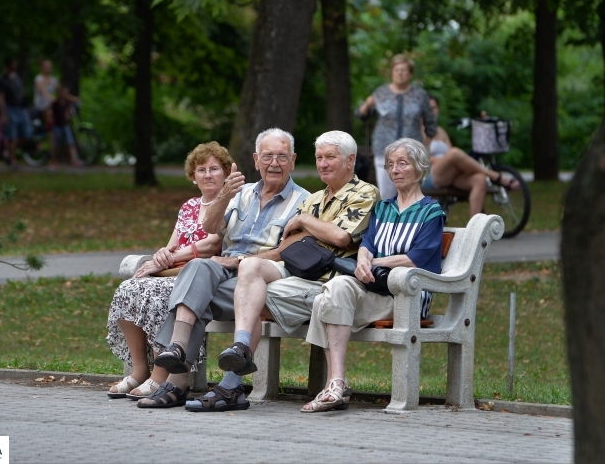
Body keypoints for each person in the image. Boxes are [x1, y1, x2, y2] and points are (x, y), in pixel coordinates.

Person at [189, 130, 380, 412]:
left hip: (330, 283)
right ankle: (240, 350)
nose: (323, 164)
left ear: (350, 160)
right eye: (319, 158)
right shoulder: (315, 199)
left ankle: (229, 387)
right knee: (251, 269)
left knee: (245, 296)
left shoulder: (364, 192)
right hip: (299, 275)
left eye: (330, 157)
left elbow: (341, 237)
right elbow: (288, 245)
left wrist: (304, 221)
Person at [135, 128, 310, 409]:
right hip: (224, 271)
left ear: (293, 160)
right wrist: (223, 197)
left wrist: (235, 261)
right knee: (198, 268)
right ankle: (178, 349)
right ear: (255, 159)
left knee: (198, 298)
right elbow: (211, 228)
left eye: (281, 156)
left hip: (264, 272)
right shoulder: (241, 194)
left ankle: (186, 382)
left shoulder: (304, 200)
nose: (274, 163)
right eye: (267, 156)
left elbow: (288, 250)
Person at [302, 138, 445, 412]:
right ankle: (337, 383)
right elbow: (368, 242)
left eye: (402, 164)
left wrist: (376, 261)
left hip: (407, 296)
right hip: (373, 289)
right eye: (391, 165)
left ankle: (335, 387)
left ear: (420, 167)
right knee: (334, 290)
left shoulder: (431, 212)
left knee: (324, 304)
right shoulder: (383, 208)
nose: (395, 170)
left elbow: (417, 257)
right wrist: (364, 258)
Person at [105, 142, 232, 398]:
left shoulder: (231, 203)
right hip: (174, 270)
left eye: (214, 169)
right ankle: (140, 370)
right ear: (193, 177)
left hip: (203, 276)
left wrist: (172, 255)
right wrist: (163, 254)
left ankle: (160, 376)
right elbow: (171, 244)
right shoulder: (188, 207)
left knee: (158, 295)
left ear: (226, 173)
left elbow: (213, 243)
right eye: (201, 170)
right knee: (128, 289)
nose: (208, 174)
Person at [422, 95, 519, 217]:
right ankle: (494, 176)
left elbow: (451, 153)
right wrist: (445, 160)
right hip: (431, 174)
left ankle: (474, 230)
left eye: (434, 108)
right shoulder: (419, 130)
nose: (431, 111)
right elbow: (422, 159)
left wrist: (450, 161)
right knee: (454, 153)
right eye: (428, 108)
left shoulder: (441, 131)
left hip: (451, 173)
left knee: (479, 179)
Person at [357, 54, 437, 200]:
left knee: (410, 192)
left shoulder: (420, 95)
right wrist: (367, 105)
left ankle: (411, 220)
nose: (400, 73)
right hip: (384, 150)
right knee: (386, 194)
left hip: (412, 152)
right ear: (392, 72)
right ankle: (388, 221)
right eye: (396, 70)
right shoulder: (381, 93)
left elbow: (431, 123)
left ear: (410, 73)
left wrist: (426, 148)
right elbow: (362, 116)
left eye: (404, 70)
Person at [0, 58, 31, 168]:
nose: (15, 65)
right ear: (8, 65)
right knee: (12, 135)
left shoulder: (16, 77)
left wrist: (26, 107)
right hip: (9, 108)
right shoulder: (2, 79)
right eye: (13, 63)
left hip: (20, 108)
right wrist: (3, 114)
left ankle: (7, 153)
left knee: (26, 133)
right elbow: (0, 97)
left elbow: (21, 91)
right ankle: (12, 160)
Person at [48, 85, 82, 167]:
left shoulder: (67, 103)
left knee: (70, 142)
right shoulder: (55, 103)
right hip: (57, 126)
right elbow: (50, 113)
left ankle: (73, 160)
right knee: (55, 144)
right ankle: (54, 160)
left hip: (65, 125)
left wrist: (68, 114)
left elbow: (72, 107)